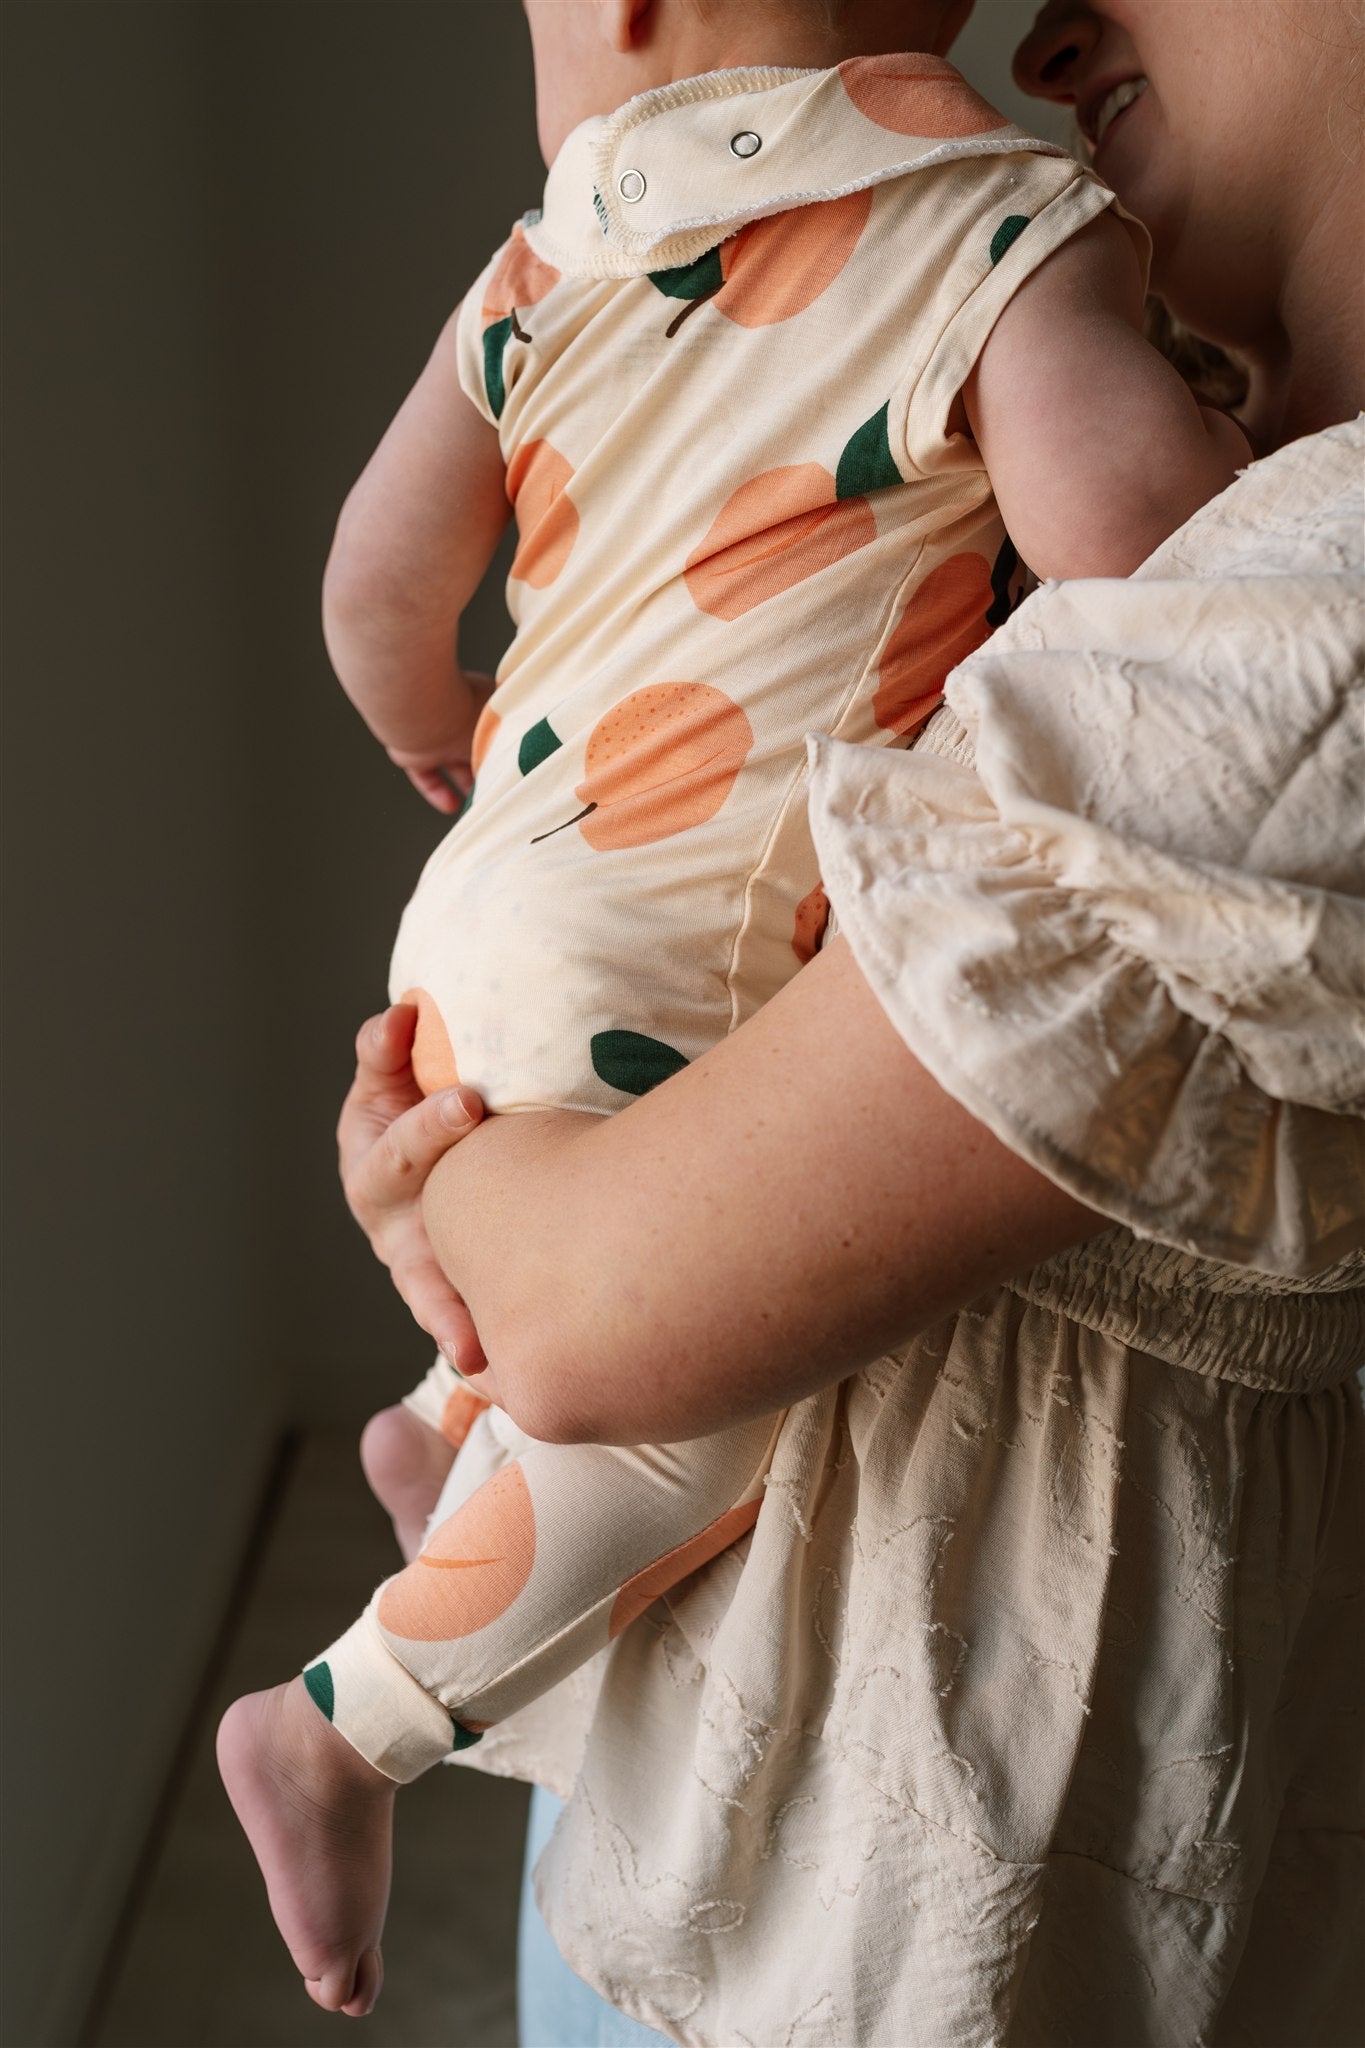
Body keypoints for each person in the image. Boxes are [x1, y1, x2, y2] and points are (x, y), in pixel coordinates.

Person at [226, 1, 1362, 2042]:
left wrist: (445, 763)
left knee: (551, 1328)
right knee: (637, 1417)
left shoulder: (546, 256)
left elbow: (376, 586)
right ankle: (348, 1716)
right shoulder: (1001, 242)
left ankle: (452, 1463)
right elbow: (1136, 561)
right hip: (831, 1881)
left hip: (511, 859)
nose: (1046, 27)